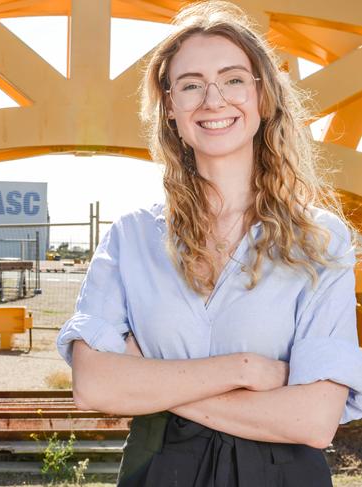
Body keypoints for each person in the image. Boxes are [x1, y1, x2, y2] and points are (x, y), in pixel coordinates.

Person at [57, 2, 362, 486]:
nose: (213, 100)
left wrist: (150, 380)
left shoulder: (320, 238)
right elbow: (94, 385)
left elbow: (313, 419)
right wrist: (245, 368)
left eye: (234, 79)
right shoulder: (131, 236)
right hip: (157, 471)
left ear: (263, 98)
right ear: (171, 108)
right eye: (191, 84)